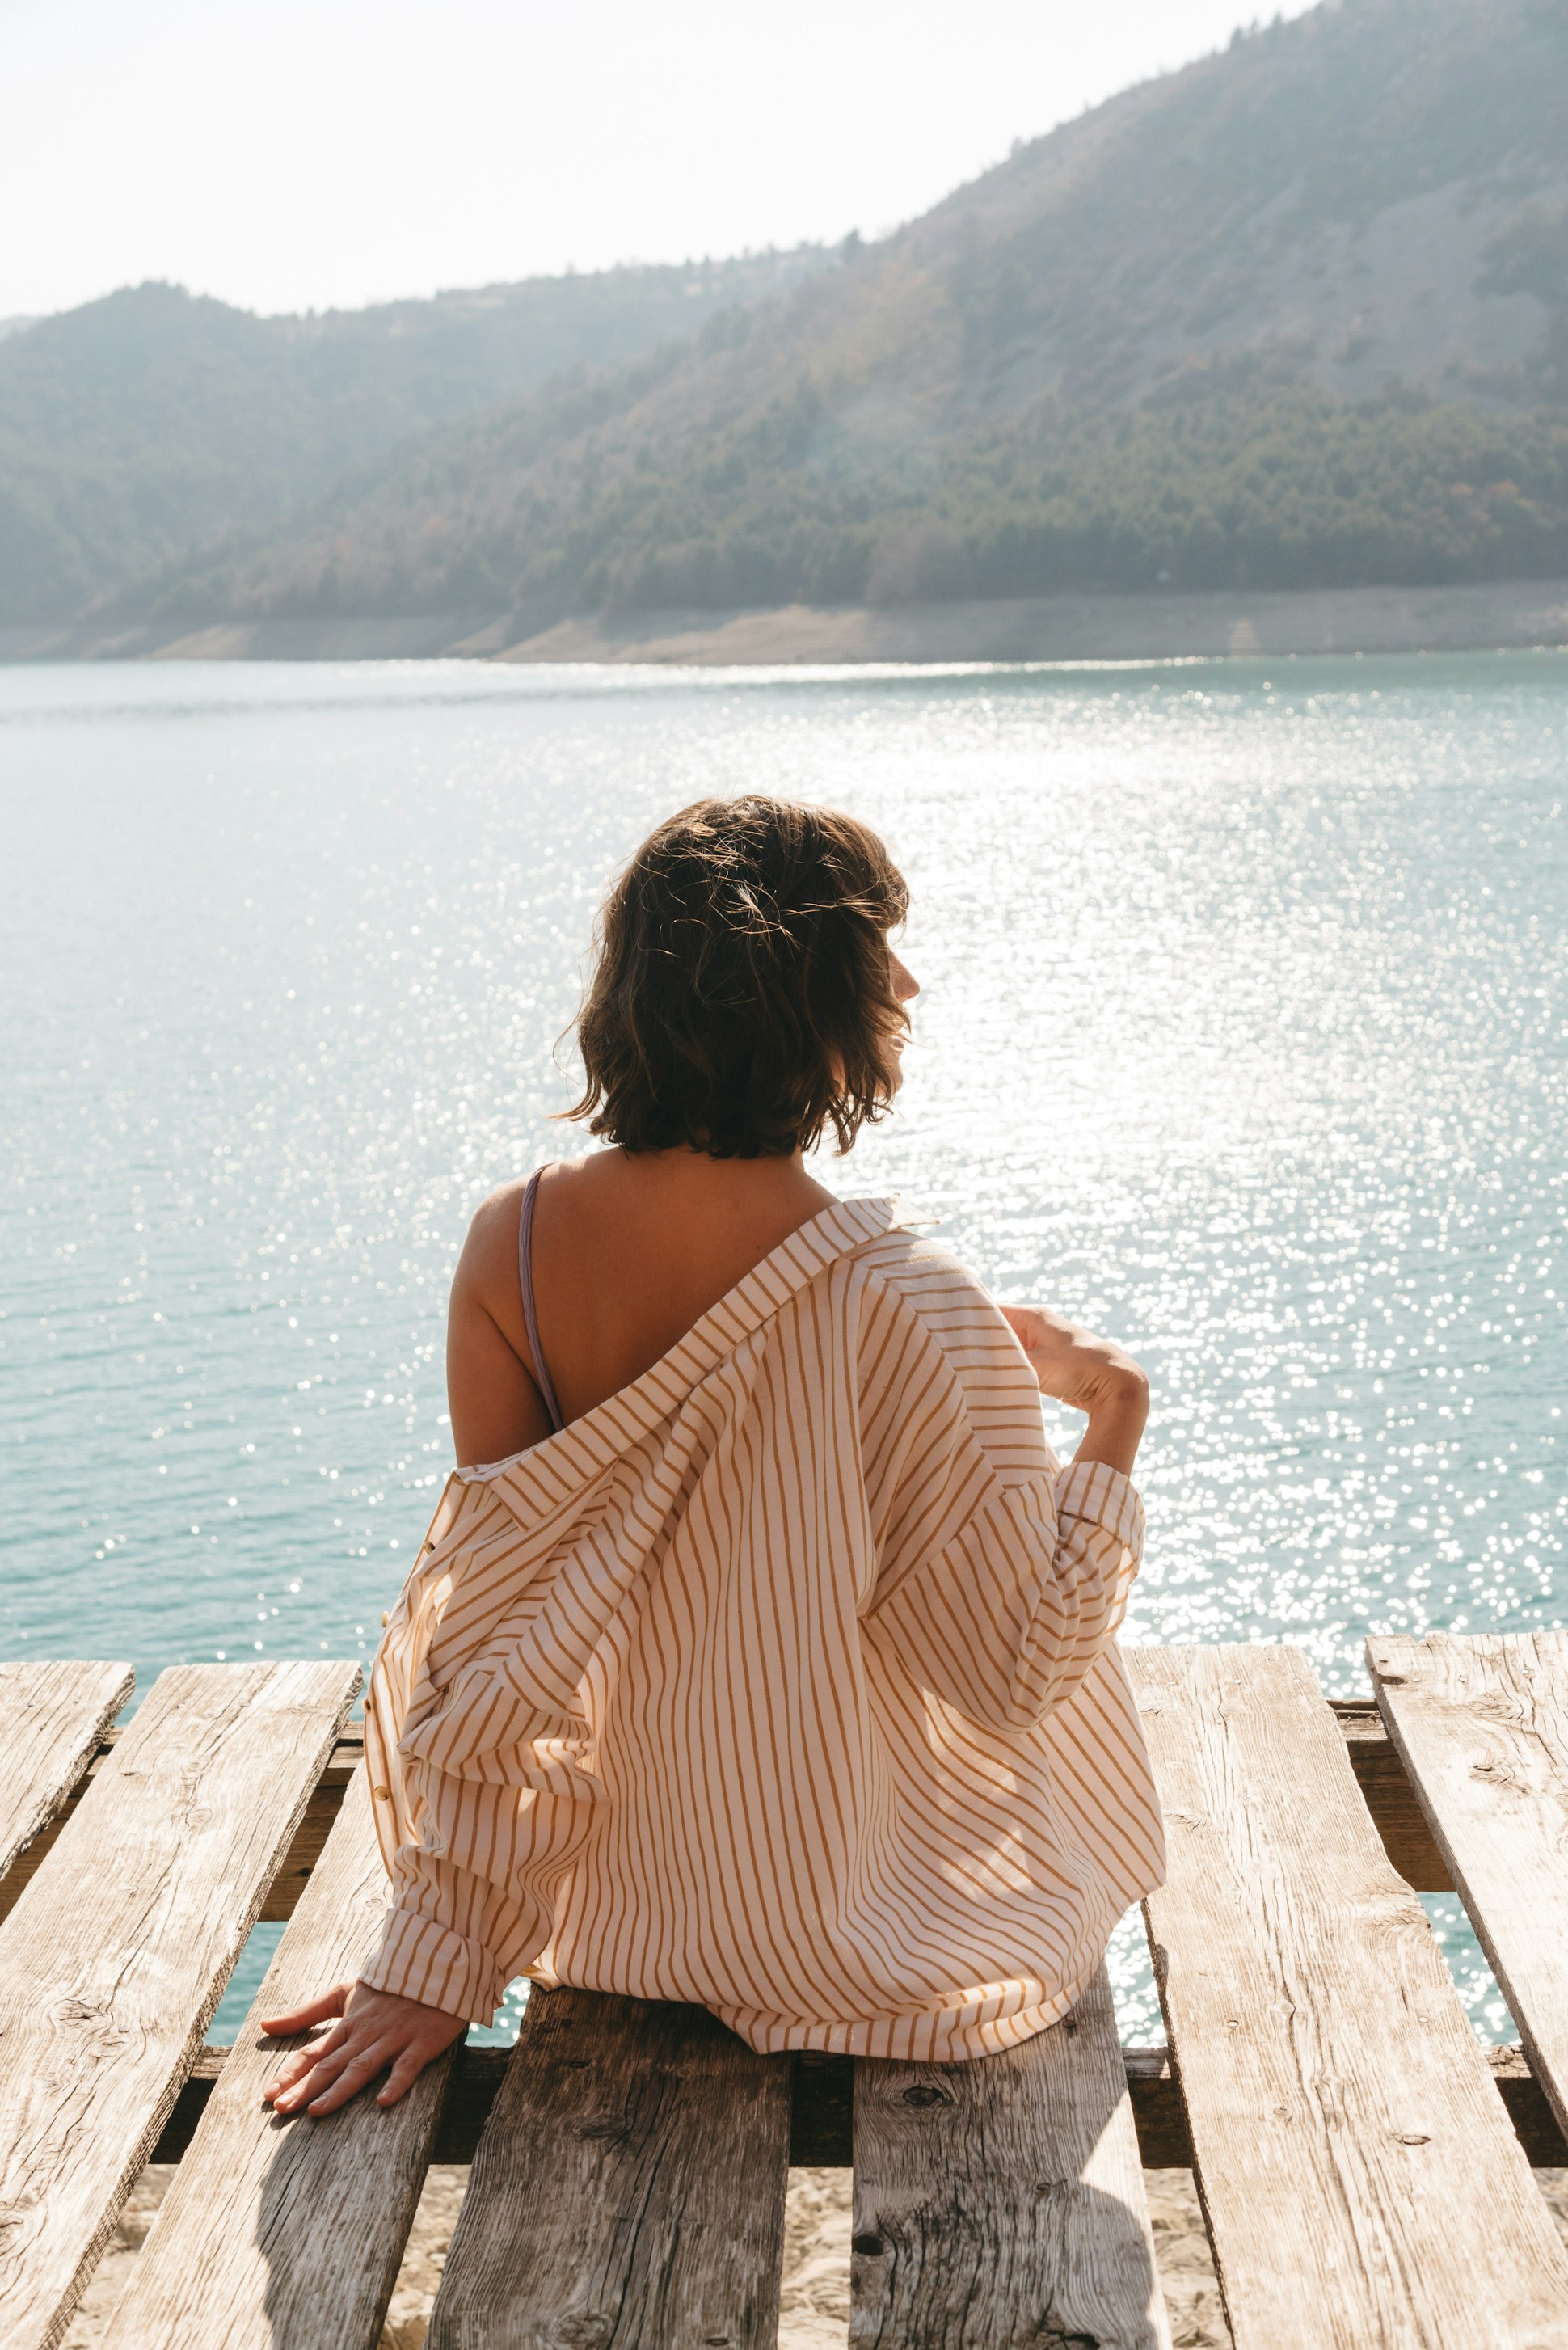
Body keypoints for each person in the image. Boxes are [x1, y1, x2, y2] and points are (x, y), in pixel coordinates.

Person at [260, 794, 1162, 2118]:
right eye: (878, 951)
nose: (910, 983)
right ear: (800, 993)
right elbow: (1013, 1673)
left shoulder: (509, 1247)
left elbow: (495, 1638)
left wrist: (437, 1955)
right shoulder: (916, 1306)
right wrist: (1114, 1415)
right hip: (877, 1955)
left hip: (618, 1930)